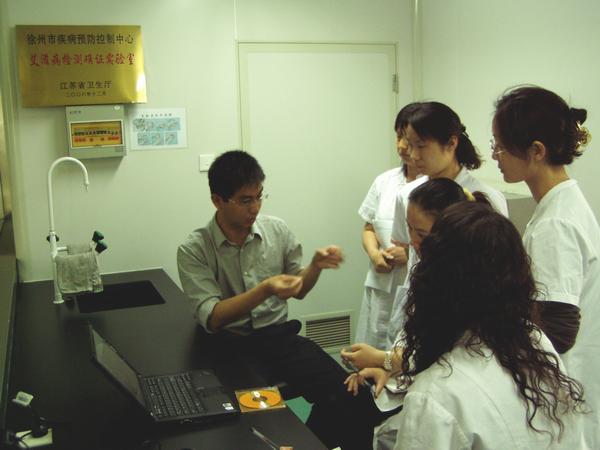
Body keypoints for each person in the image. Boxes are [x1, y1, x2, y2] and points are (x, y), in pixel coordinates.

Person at [177, 150, 382, 450]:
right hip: (229, 346)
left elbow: (299, 289)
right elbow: (213, 317)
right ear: (218, 200)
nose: (255, 207)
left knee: (354, 396)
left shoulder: (277, 230)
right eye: (245, 200)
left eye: (259, 196)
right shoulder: (194, 249)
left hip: (278, 339)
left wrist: (315, 266)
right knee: (256, 421)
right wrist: (265, 289)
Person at [348, 202, 586, 449]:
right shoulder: (535, 340)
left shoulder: (438, 394)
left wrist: (389, 364)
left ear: (433, 282)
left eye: (420, 234)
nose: (412, 243)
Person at [343, 177, 489, 449]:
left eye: (421, 234)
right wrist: (387, 369)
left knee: (350, 415)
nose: (412, 241)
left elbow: (436, 354)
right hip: (413, 381)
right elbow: (416, 340)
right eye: (409, 229)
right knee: (343, 397)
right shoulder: (428, 268)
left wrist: (385, 361)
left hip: (441, 392)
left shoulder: (461, 282)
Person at [492, 85, 600, 448]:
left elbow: (557, 329)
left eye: (501, 147)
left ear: (536, 151)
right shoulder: (562, 204)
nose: (495, 156)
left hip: (568, 381)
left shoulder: (556, 223)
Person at [385, 101, 508, 346]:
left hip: (467, 315)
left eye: (422, 146)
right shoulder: (407, 194)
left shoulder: (484, 197)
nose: (414, 155)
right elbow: (407, 248)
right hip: (417, 304)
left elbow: (497, 267)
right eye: (410, 145)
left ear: (451, 143)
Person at [356, 104, 420, 349]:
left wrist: (410, 253)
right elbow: (369, 228)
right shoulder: (385, 181)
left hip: (412, 287)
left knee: (401, 353)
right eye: (398, 136)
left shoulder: (435, 186)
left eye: (409, 140)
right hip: (380, 283)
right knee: (371, 351)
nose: (402, 146)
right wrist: (375, 254)